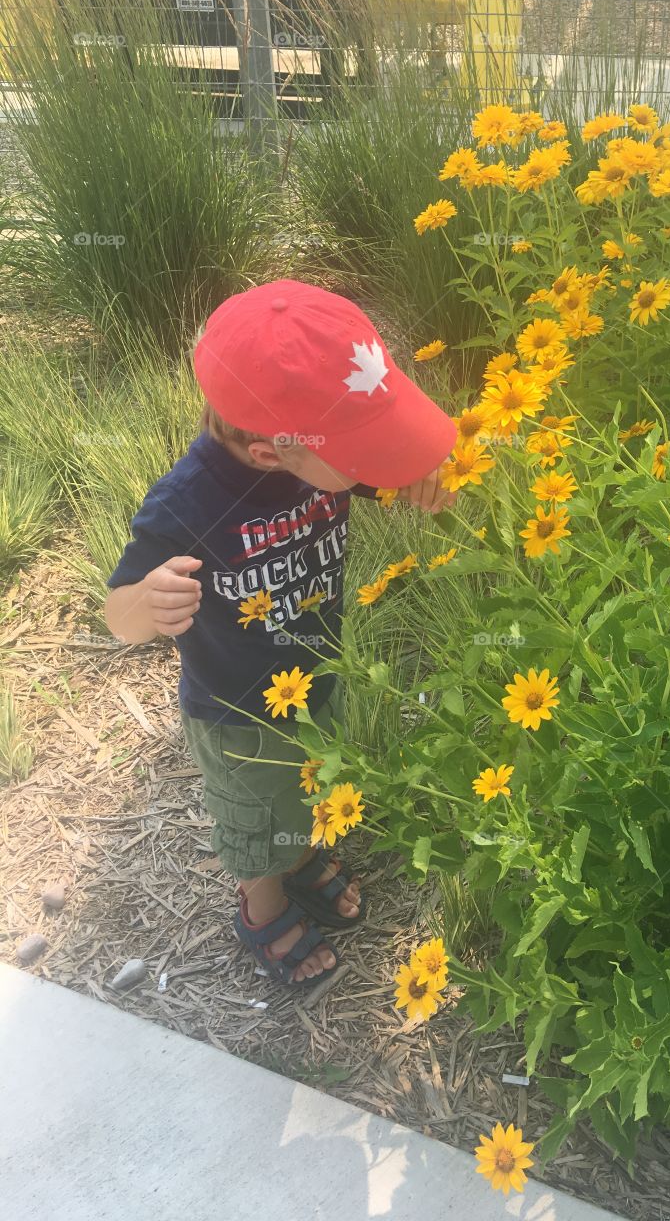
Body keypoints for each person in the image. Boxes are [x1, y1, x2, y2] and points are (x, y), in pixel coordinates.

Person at [104, 279, 457, 989]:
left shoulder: (316, 452)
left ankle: (301, 857)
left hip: (318, 671)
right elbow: (118, 616)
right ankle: (262, 905)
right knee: (255, 817)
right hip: (237, 711)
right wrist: (149, 601)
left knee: (311, 783)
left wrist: (418, 476)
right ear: (271, 454)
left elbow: (384, 475)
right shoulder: (188, 502)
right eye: (362, 449)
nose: (370, 461)